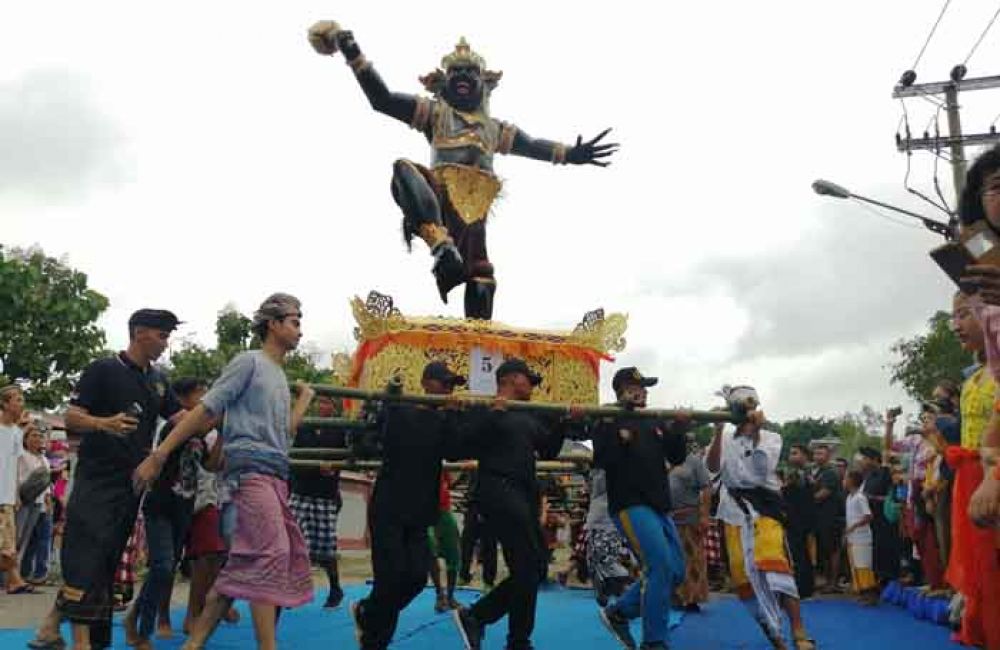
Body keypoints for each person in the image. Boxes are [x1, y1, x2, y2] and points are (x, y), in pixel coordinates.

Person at [133, 293, 315, 650]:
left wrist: (305, 400)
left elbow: (283, 431)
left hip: (276, 477)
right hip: (248, 476)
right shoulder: (248, 363)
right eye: (294, 321)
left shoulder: (278, 375)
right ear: (273, 324)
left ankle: (194, 642)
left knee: (244, 567)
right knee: (271, 553)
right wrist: (161, 452)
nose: (299, 329)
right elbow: (205, 410)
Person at [29, 309, 183, 650]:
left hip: (132, 485)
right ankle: (79, 643)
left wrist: (219, 413)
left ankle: (52, 629)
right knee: (86, 557)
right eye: (161, 335)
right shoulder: (103, 369)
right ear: (140, 332)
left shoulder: (158, 380)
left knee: (106, 561)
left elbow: (182, 417)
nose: (165, 342)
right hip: (97, 481)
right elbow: (72, 416)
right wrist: (104, 424)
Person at [452, 358, 571, 650]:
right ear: (512, 379)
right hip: (498, 489)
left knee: (534, 568)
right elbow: (459, 445)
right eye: (528, 379)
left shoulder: (528, 416)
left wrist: (564, 422)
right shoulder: (484, 409)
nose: (531, 385)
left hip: (525, 493)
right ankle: (482, 619)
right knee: (529, 565)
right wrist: (494, 414)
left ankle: (514, 637)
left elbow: (548, 449)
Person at [351, 360, 465, 649]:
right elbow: (365, 439)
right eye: (445, 383)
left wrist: (453, 416)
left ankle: (368, 612)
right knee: (389, 579)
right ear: (427, 383)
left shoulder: (444, 422)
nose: (449, 390)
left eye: (453, 385)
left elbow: (454, 453)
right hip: (389, 508)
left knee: (415, 579)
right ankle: (374, 642)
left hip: (420, 513)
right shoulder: (399, 411)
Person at [707, 385, 815, 650]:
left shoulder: (771, 437)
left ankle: (799, 630)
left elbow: (759, 471)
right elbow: (711, 470)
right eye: (742, 407)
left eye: (751, 406)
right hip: (732, 514)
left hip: (765, 510)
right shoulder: (725, 439)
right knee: (744, 581)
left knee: (775, 564)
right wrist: (718, 430)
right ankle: (776, 638)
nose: (748, 412)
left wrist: (754, 433)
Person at [594, 367, 688, 650]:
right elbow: (602, 459)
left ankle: (619, 612)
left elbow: (677, 455)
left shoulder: (652, 422)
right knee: (658, 565)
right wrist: (620, 435)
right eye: (638, 387)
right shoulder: (608, 418)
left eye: (645, 387)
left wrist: (679, 430)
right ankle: (655, 641)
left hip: (659, 505)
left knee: (676, 572)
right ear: (622, 389)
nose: (644, 392)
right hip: (630, 503)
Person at [124, 378, 211, 645]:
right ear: (183, 398)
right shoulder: (175, 425)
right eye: (201, 394)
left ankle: (134, 617)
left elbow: (213, 464)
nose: (205, 399)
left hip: (184, 506)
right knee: (162, 566)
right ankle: (143, 630)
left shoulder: (201, 436)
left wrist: (224, 436)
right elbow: (197, 422)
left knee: (168, 567)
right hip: (160, 504)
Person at [289, 395, 346, 609]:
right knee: (292, 538)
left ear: (334, 406)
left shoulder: (340, 430)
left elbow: (346, 459)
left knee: (326, 546)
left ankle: (335, 588)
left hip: (325, 494)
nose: (323, 406)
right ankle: (293, 588)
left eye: (327, 402)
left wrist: (333, 467)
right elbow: (295, 458)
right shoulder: (306, 426)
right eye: (320, 402)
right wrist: (314, 466)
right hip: (301, 490)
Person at [669, 438, 712, 612]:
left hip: (690, 516)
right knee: (669, 558)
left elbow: (706, 487)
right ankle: (672, 596)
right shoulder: (661, 458)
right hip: (666, 516)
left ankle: (692, 599)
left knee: (692, 559)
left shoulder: (694, 461)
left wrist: (704, 515)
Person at [584, 468, 633, 607]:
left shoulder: (602, 470)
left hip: (606, 519)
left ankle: (621, 590)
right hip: (607, 519)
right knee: (600, 558)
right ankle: (614, 588)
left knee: (603, 559)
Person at [0, 385, 31, 595]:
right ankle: (15, 579)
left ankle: (14, 580)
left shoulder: (17, 432)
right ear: (4, 404)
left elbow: (16, 464)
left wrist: (17, 492)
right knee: (6, 542)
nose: (22, 404)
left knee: (8, 541)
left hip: (8, 494)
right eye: (18, 400)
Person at [858, 446, 901, 586]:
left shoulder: (884, 473)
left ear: (874, 460)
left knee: (887, 551)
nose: (861, 461)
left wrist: (872, 498)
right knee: (876, 553)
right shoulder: (868, 476)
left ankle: (889, 582)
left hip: (885, 520)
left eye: (865, 458)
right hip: (872, 521)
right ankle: (877, 582)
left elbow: (890, 497)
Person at [16, 421, 51, 575]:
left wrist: (48, 500)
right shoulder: (21, 456)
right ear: (26, 438)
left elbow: (46, 484)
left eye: (40, 436)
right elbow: (15, 477)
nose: (37, 439)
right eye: (33, 435)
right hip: (22, 501)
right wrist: (16, 497)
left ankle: (18, 573)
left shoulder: (44, 459)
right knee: (16, 537)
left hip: (38, 503)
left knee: (26, 539)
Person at [782, 444, 815, 599]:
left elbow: (792, 494)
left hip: (798, 520)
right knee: (802, 554)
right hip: (800, 519)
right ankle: (805, 587)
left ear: (805, 456)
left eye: (795, 453)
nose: (791, 456)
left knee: (798, 554)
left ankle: (801, 588)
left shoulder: (800, 473)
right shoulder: (806, 472)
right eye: (790, 453)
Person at [809, 444, 843, 594]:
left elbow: (823, 493)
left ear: (828, 456)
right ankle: (825, 580)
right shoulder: (815, 471)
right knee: (823, 550)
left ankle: (833, 582)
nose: (817, 457)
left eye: (821, 454)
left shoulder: (830, 472)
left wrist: (804, 501)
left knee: (833, 550)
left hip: (831, 517)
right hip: (818, 517)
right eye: (816, 454)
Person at [429, 472, 463, 613]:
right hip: (426, 512)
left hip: (444, 511)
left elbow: (449, 484)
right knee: (430, 551)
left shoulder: (443, 466)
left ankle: (450, 596)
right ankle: (440, 595)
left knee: (454, 554)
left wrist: (464, 473)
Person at [843, 470, 878, 606]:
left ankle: (871, 594)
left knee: (864, 566)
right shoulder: (849, 497)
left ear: (851, 481)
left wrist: (854, 526)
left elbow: (868, 516)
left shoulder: (860, 497)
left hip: (862, 537)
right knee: (857, 566)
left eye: (846, 478)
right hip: (853, 537)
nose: (844, 481)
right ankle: (863, 593)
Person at [458, 471, 498, 589]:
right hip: (474, 506)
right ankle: (464, 575)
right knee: (466, 542)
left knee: (489, 544)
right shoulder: (475, 466)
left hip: (490, 506)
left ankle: (489, 581)